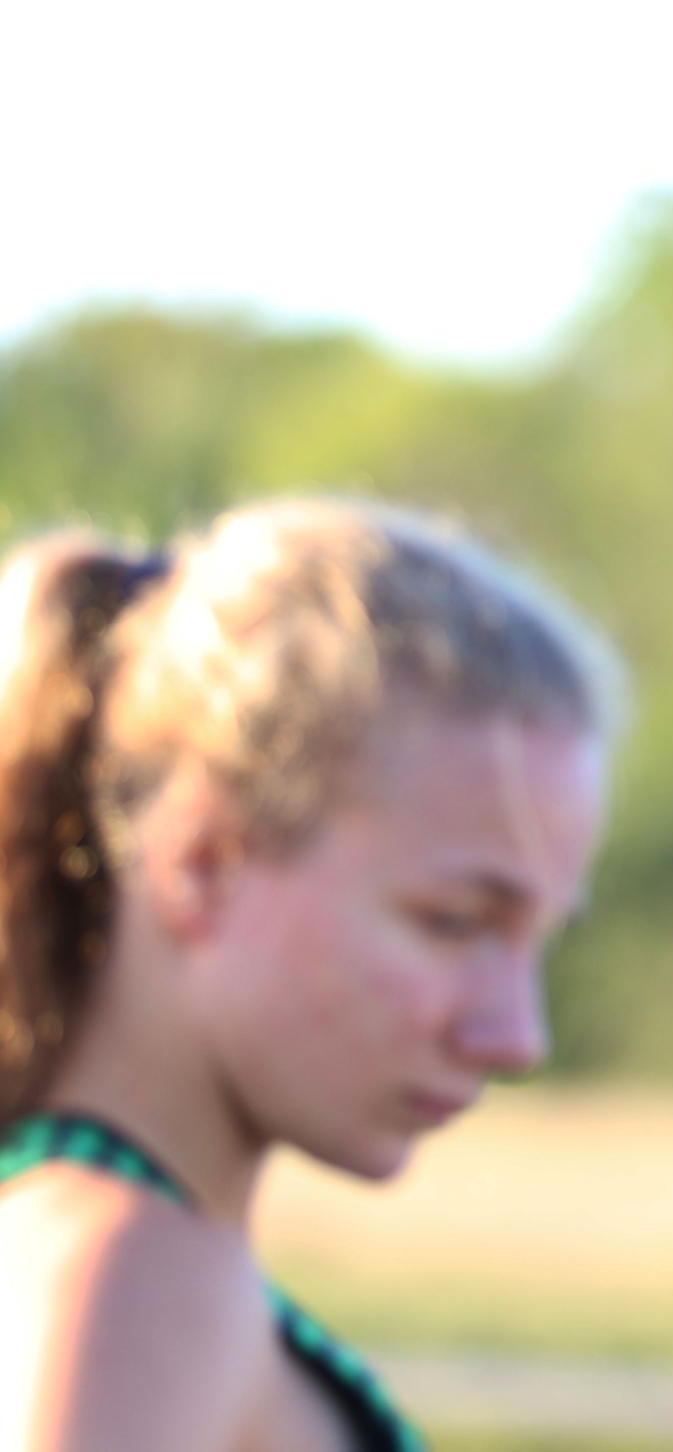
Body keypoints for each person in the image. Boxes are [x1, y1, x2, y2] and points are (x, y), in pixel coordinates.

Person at [0, 499, 619, 1451]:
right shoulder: (132, 1272)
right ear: (201, 861)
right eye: (453, 922)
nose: (515, 1036)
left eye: (537, 938)